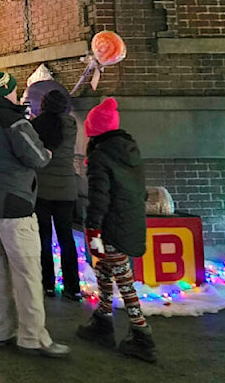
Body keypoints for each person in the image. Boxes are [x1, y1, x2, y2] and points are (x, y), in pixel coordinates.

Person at [0, 68, 70, 358]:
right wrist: (48, 155)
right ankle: (33, 337)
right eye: (13, 89)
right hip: (14, 204)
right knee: (26, 271)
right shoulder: (15, 123)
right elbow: (37, 157)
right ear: (6, 91)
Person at [76, 97, 156, 363]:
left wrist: (93, 227)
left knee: (123, 279)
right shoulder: (130, 151)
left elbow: (100, 196)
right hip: (130, 222)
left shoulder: (100, 157)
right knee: (105, 271)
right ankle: (102, 319)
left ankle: (141, 334)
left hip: (111, 227)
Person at [31, 90, 82, 301]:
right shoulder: (71, 126)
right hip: (66, 190)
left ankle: (48, 284)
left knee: (43, 237)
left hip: (42, 189)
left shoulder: (36, 126)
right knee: (66, 238)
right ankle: (73, 287)